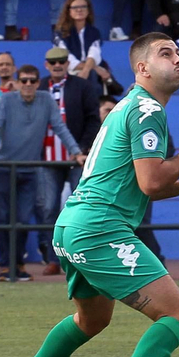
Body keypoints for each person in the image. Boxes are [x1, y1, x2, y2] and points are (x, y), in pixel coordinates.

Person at [0, 33, 179, 357]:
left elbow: (133, 187)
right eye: (167, 54)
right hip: (99, 228)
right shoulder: (147, 109)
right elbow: (149, 181)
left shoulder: (127, 107)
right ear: (142, 69)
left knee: (92, 319)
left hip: (73, 225)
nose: (178, 59)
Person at [0, 64, 83, 282]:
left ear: (38, 83)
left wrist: (76, 152)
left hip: (30, 168)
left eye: (32, 81)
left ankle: (18, 264)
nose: (28, 85)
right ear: (17, 83)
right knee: (3, 218)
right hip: (4, 166)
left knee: (24, 220)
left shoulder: (46, 100)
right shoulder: (6, 100)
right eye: (24, 80)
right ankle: (5, 267)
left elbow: (60, 127)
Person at [38, 47, 103, 275]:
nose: (57, 65)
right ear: (46, 64)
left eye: (62, 61)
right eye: (53, 62)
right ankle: (53, 259)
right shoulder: (38, 86)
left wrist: (83, 149)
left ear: (68, 63)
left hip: (78, 158)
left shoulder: (83, 86)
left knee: (80, 209)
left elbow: (93, 120)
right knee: (48, 208)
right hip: (47, 159)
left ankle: (81, 256)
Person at [55, 0, 110, 89]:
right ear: (69, 11)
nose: (79, 10)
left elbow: (94, 54)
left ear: (88, 10)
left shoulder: (94, 32)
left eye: (83, 7)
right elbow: (66, 58)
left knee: (94, 77)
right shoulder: (60, 33)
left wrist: (86, 70)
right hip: (69, 70)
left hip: (90, 71)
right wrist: (94, 68)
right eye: (75, 7)